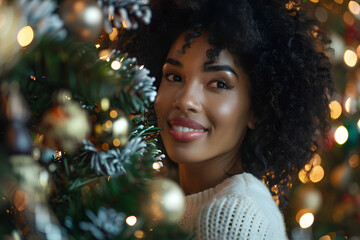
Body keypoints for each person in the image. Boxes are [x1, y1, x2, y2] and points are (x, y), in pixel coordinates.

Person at [122, 0, 334, 239]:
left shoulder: (232, 218)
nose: (185, 100)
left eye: (219, 83)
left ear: (257, 109)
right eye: (174, 76)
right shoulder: (155, 195)